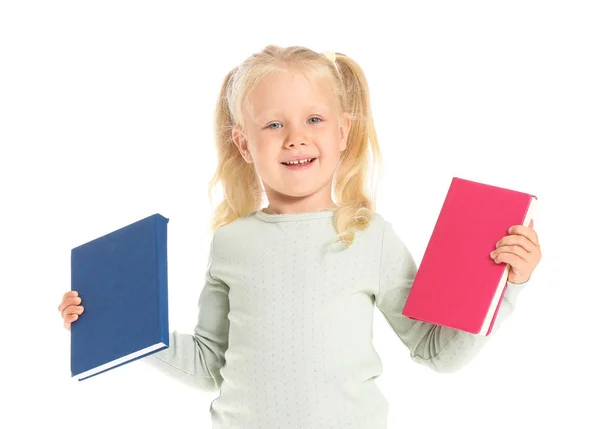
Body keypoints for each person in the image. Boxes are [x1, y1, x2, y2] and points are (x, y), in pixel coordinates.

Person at [58, 44, 542, 429]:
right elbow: (209, 365)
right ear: (244, 143)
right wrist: (113, 323)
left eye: (314, 119)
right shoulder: (231, 243)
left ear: (343, 131)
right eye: (273, 124)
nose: (295, 137)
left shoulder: (368, 236)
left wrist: (506, 284)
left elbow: (436, 351)